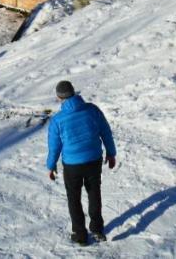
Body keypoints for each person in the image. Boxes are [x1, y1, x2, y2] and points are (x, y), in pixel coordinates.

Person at [46, 80, 116, 245]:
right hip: (94, 160)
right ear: (74, 92)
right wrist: (111, 153)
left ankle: (80, 235)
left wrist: (51, 165)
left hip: (72, 165)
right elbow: (106, 132)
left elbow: (54, 147)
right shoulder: (92, 110)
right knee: (94, 193)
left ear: (58, 97)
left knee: (74, 198)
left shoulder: (58, 120)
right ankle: (97, 230)